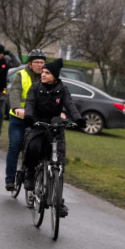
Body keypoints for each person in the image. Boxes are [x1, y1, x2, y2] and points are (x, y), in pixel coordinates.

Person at [21, 59, 85, 217]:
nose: (43, 75)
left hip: (55, 126)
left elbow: (70, 105)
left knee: (59, 164)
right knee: (34, 148)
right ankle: (30, 174)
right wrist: (29, 117)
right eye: (42, 72)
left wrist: (78, 119)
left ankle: (58, 201)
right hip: (37, 123)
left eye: (47, 73)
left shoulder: (63, 89)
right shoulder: (35, 88)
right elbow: (29, 103)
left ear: (55, 76)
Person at [4, 49, 46, 192]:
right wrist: (16, 107)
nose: (40, 65)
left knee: (34, 149)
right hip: (19, 118)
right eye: (37, 62)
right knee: (15, 145)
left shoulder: (47, 77)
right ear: (30, 63)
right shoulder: (21, 75)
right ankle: (10, 179)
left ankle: (30, 174)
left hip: (35, 119)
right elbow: (15, 91)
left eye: (42, 62)